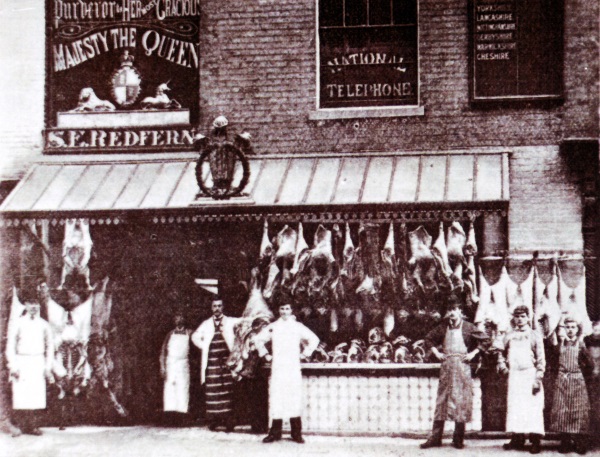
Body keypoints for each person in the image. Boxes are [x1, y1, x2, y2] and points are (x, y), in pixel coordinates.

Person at [420, 296, 486, 449]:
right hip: (447, 368)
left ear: (460, 312)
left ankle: (458, 439)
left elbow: (486, 340)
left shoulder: (469, 327)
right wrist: (436, 353)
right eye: (449, 310)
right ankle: (435, 438)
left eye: (455, 309)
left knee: (460, 403)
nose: (452, 313)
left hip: (462, 369)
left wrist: (473, 353)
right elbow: (428, 339)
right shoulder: (443, 327)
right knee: (441, 402)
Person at [253, 302, 319, 444]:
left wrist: (305, 354)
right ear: (278, 310)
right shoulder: (273, 327)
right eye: (281, 308)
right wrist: (265, 355)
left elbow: (314, 339)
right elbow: (257, 339)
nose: (284, 311)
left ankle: (296, 433)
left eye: (287, 309)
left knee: (293, 398)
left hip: (293, 368)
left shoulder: (297, 327)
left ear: (291, 310)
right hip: (278, 368)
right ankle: (275, 433)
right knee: (277, 398)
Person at [498, 305, 546, 454]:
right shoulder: (509, 335)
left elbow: (541, 359)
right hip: (514, 376)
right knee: (515, 407)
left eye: (523, 316)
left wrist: (538, 378)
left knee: (532, 408)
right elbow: (499, 350)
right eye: (517, 316)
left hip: (529, 375)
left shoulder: (534, 335)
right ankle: (517, 439)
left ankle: (535, 441)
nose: (520, 319)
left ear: (528, 317)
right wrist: (502, 364)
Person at [6, 297, 54, 436]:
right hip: (22, 360)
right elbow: (10, 346)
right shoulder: (18, 323)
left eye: (36, 303)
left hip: (38, 360)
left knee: (36, 394)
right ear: (25, 304)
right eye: (30, 303)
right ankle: (21, 425)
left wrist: (48, 366)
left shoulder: (44, 324)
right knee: (22, 394)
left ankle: (33, 426)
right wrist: (13, 365)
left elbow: (50, 346)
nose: (33, 306)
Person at [191, 299, 240, 431]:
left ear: (223, 307)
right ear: (211, 308)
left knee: (227, 391)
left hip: (226, 362)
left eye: (219, 306)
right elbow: (194, 336)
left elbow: (246, 321)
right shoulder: (206, 324)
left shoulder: (231, 321)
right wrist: (205, 346)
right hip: (212, 362)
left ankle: (228, 422)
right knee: (213, 391)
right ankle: (214, 421)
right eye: (214, 306)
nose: (217, 308)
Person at [550, 317, 592, 455]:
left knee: (578, 410)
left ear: (577, 329)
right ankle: (565, 442)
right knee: (562, 411)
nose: (570, 330)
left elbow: (590, 365)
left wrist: (578, 374)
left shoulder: (581, 345)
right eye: (567, 327)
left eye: (573, 327)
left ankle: (580, 442)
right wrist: (561, 375)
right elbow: (554, 363)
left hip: (577, 381)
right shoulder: (559, 346)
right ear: (564, 329)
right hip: (562, 380)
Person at [160, 312, 192, 426]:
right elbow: (163, 351)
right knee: (170, 390)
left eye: (181, 317)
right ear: (174, 320)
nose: (179, 320)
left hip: (183, 364)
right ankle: (170, 418)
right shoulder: (170, 334)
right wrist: (163, 367)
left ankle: (182, 419)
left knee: (182, 389)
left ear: (184, 319)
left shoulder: (189, 333)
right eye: (176, 317)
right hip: (171, 364)